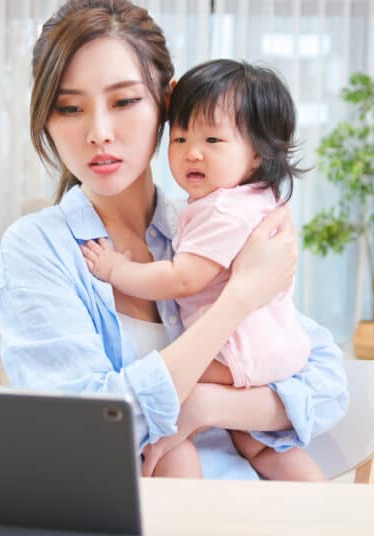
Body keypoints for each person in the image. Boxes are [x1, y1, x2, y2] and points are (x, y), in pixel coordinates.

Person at [0, 0, 348, 480]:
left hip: (257, 506)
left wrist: (205, 405)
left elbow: (326, 383)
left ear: (167, 100)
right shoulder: (38, 249)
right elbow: (83, 431)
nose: (99, 133)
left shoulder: (204, 226)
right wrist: (238, 299)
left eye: (123, 102)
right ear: (46, 119)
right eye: (69, 108)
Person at [80, 59, 323, 480]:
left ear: (258, 153)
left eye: (213, 139)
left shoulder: (225, 210)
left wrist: (118, 269)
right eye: (179, 137)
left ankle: (187, 499)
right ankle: (326, 507)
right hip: (271, 346)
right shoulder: (252, 200)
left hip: (238, 349)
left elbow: (182, 277)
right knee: (259, 445)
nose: (192, 152)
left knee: (167, 400)